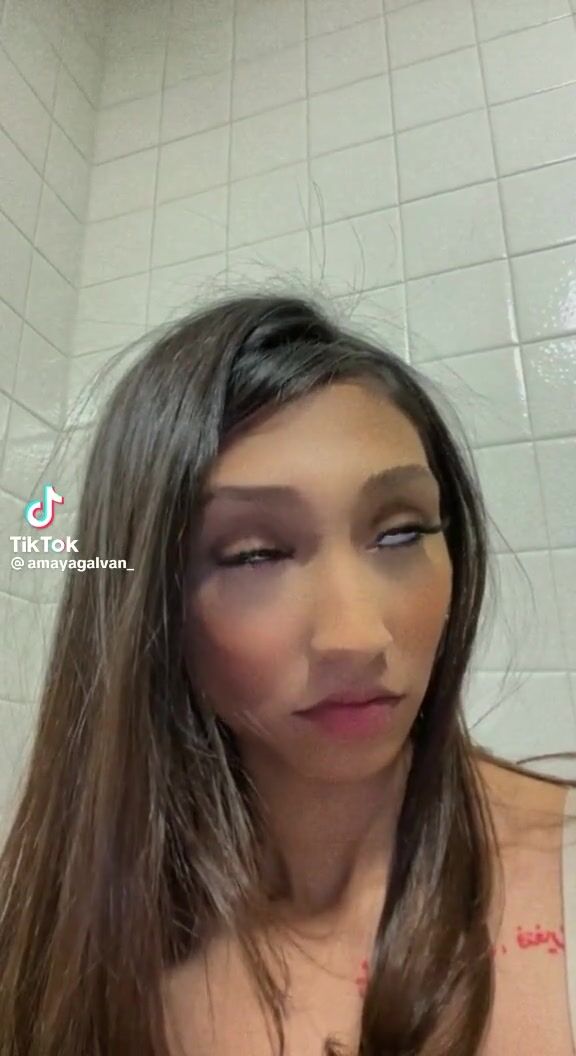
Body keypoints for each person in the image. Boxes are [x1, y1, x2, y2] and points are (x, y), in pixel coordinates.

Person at [0, 291, 574, 1056]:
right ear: (151, 610)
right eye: (255, 554)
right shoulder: (56, 947)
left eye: (400, 532)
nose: (356, 637)